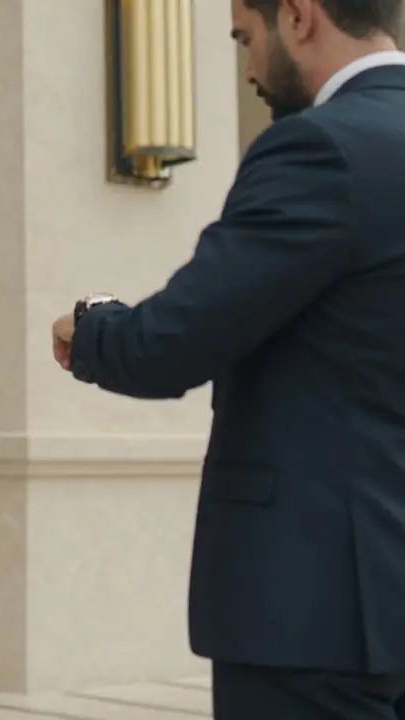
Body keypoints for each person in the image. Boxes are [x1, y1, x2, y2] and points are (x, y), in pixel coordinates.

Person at [52, 0, 405, 717]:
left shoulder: (321, 148)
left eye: (246, 38)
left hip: (313, 608)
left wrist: (91, 324)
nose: (247, 68)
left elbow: (169, 343)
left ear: (299, 16)